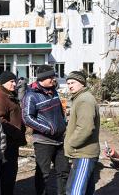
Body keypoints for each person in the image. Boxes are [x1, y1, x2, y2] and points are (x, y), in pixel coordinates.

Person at [21, 65, 69, 195]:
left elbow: (59, 110)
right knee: (44, 173)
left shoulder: (53, 91)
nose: (54, 79)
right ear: (43, 78)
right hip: (43, 141)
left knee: (64, 171)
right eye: (51, 77)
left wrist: (63, 123)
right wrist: (48, 129)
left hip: (60, 139)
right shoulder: (31, 96)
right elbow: (27, 118)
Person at [0, 71, 26, 195]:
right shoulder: (0, 97)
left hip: (12, 142)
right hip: (6, 143)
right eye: (11, 81)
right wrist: (15, 131)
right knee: (7, 176)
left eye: (15, 81)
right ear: (3, 83)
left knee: (10, 175)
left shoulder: (8, 95)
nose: (14, 84)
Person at [65, 71, 100, 195]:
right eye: (68, 83)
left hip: (83, 153)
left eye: (73, 82)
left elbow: (85, 128)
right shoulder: (80, 98)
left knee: (75, 191)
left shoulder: (84, 100)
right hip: (83, 152)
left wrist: (71, 143)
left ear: (82, 83)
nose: (70, 85)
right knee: (86, 190)